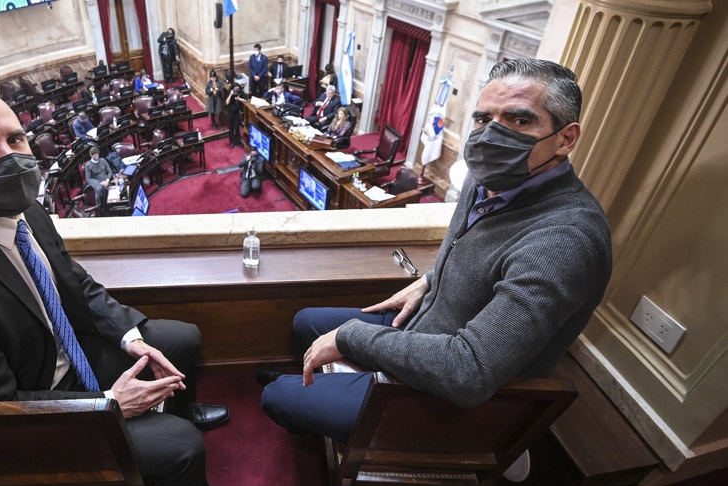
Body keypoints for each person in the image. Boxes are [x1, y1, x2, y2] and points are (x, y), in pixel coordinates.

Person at [0, 90, 258, 486]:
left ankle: (177, 408)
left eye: (16, 139)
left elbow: (76, 286)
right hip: (33, 414)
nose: (8, 157)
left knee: (180, 338)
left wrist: (131, 338)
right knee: (181, 445)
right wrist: (107, 404)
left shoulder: (25, 210)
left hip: (67, 357)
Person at [260, 59, 613, 444]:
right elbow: (481, 254)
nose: (492, 135)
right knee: (304, 321)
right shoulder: (489, 178)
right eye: (483, 119)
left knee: (275, 396)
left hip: (443, 396)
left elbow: (468, 372)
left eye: (519, 121)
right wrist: (432, 280)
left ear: (565, 138)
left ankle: (317, 400)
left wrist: (350, 340)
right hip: (424, 322)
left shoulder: (564, 242)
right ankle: (323, 391)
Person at [84, 146, 116, 213]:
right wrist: (99, 183)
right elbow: (89, 179)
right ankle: (104, 211)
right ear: (91, 155)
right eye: (94, 155)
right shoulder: (87, 165)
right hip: (98, 184)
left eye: (97, 154)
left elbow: (110, 172)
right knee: (101, 191)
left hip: (107, 182)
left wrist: (107, 180)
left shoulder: (103, 160)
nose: (96, 156)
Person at [224, 82, 245, 148]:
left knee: (237, 128)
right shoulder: (229, 93)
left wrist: (239, 99)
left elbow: (245, 100)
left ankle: (238, 141)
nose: (237, 90)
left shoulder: (240, 92)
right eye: (235, 89)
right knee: (231, 128)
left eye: (238, 89)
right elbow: (227, 103)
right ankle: (232, 142)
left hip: (237, 114)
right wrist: (230, 95)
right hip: (230, 114)